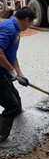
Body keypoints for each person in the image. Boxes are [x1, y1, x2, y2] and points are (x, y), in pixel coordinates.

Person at [0, 7, 35, 143]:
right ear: (26, 20)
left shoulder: (16, 30)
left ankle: (16, 114)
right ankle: (1, 137)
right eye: (30, 23)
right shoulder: (9, 29)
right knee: (11, 106)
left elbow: (11, 54)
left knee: (16, 99)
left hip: (4, 71)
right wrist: (11, 71)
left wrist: (19, 74)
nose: (30, 26)